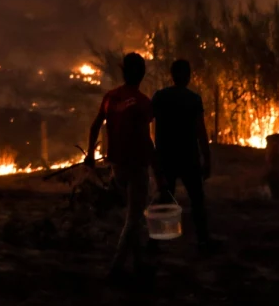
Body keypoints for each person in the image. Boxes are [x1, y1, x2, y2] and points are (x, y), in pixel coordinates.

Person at [85, 52, 156, 278]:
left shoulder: (110, 97)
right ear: (142, 74)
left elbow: (95, 126)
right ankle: (117, 267)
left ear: (124, 72)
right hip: (136, 164)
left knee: (132, 214)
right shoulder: (143, 102)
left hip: (117, 164)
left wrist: (90, 154)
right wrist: (158, 170)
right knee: (134, 218)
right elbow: (146, 139)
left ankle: (139, 264)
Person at [151, 59, 212, 248]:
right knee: (197, 199)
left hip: (165, 156)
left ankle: (156, 241)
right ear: (188, 76)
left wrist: (153, 153)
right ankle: (202, 240)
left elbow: (148, 124)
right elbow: (200, 131)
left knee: (164, 197)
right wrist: (207, 158)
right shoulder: (193, 99)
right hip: (188, 156)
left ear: (172, 75)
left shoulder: (159, 97)